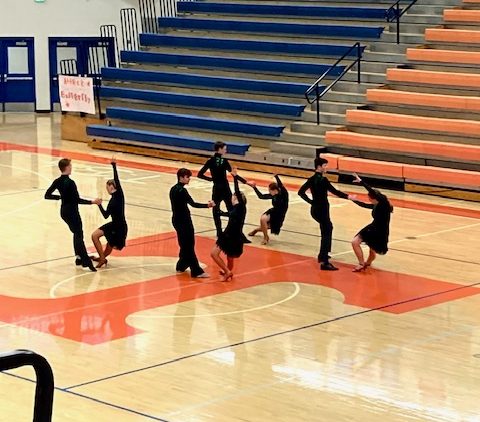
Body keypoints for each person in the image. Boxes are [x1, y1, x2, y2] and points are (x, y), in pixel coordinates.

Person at [45, 158, 101, 272]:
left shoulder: (58, 181)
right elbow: (77, 200)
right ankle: (86, 261)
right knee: (79, 235)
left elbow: (47, 195)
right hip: (72, 212)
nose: (71, 167)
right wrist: (92, 202)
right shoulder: (70, 183)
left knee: (76, 233)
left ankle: (79, 258)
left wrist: (60, 197)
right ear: (66, 167)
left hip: (64, 211)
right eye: (70, 166)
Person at [298, 157, 355, 271]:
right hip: (322, 209)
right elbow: (335, 191)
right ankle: (324, 261)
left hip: (315, 209)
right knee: (327, 232)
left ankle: (322, 255)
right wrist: (348, 196)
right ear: (319, 167)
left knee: (327, 229)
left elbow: (301, 192)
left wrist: (312, 202)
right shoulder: (323, 180)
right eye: (325, 165)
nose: (326, 167)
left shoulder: (312, 179)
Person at [170, 168, 215, 278]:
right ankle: (196, 271)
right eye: (187, 177)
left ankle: (181, 265)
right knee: (189, 245)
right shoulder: (182, 191)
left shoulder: (173, 189)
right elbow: (193, 204)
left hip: (176, 219)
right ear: (181, 177)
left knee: (184, 243)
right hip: (184, 220)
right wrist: (207, 205)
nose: (189, 179)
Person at [198, 141, 246, 237]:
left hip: (216, 188)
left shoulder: (210, 161)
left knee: (215, 209)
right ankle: (231, 230)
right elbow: (234, 174)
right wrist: (245, 182)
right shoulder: (224, 161)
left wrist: (211, 179)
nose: (226, 150)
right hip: (225, 188)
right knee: (231, 210)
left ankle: (219, 232)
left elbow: (200, 175)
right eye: (224, 148)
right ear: (219, 149)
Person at [350, 173, 393, 272]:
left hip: (379, 230)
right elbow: (364, 205)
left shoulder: (383, 204)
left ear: (374, 197)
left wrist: (361, 181)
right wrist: (354, 200)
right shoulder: (376, 204)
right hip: (373, 227)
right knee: (369, 248)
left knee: (356, 243)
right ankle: (365, 263)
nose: (368, 199)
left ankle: (363, 264)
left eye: (369, 198)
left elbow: (371, 190)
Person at [211, 169, 248, 282]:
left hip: (230, 235)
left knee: (214, 254)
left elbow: (236, 190)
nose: (230, 198)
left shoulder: (240, 206)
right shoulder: (237, 208)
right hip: (234, 235)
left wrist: (235, 178)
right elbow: (230, 215)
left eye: (232, 196)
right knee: (229, 257)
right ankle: (227, 272)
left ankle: (227, 271)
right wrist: (221, 212)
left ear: (236, 197)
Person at [91, 159, 128, 268]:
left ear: (112, 186)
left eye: (107, 187)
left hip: (120, 227)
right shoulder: (112, 200)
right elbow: (106, 215)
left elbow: (117, 179)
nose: (107, 189)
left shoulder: (119, 195)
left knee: (109, 244)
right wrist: (99, 204)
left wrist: (114, 166)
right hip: (114, 224)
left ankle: (102, 258)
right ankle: (102, 258)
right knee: (95, 236)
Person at [247, 175, 289, 245]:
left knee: (268, 227)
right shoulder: (273, 195)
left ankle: (255, 230)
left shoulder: (284, 194)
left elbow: (280, 185)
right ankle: (266, 237)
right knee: (263, 219)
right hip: (273, 211)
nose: (269, 192)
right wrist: (254, 188)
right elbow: (261, 196)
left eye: (269, 190)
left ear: (275, 190)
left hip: (280, 215)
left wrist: (276, 176)